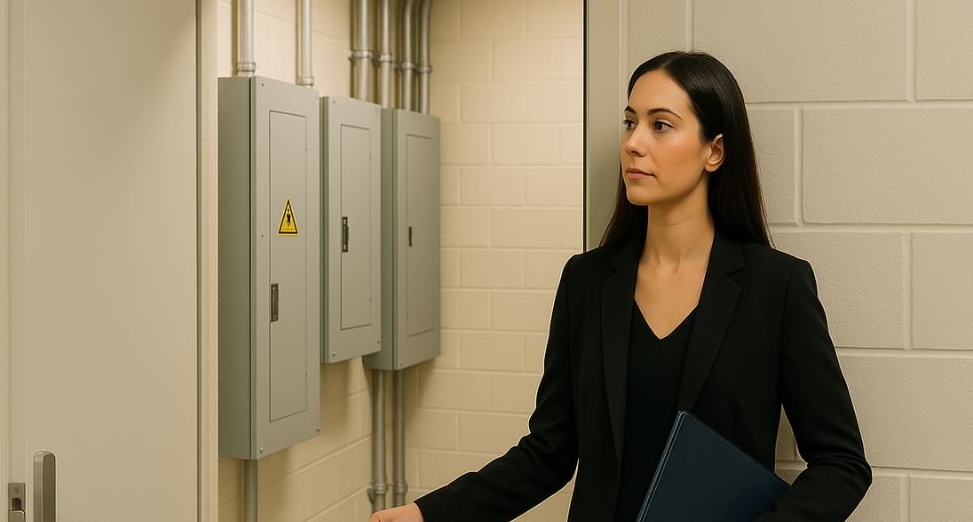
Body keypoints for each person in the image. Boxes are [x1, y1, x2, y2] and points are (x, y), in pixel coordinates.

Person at [371, 51, 872, 522]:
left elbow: (841, 464)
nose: (634, 142)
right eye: (631, 121)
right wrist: (428, 514)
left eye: (661, 125)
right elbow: (548, 453)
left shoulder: (776, 286)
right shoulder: (587, 282)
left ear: (714, 151)